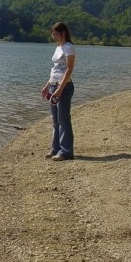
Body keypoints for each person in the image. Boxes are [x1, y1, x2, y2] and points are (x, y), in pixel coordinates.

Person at [40, 22, 76, 161]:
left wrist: (60, 88)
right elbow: (55, 70)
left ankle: (66, 151)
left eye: (56, 34)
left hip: (64, 87)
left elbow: (69, 69)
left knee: (63, 119)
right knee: (55, 120)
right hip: (53, 85)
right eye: (52, 34)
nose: (53, 36)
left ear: (63, 33)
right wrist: (47, 86)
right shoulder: (58, 47)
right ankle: (55, 148)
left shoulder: (69, 48)